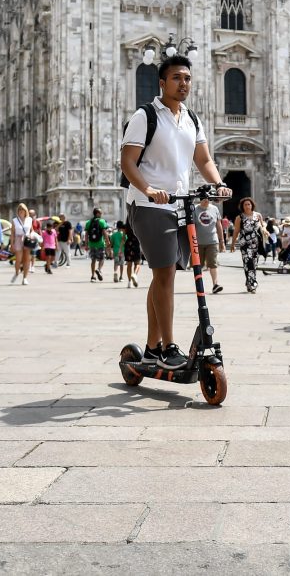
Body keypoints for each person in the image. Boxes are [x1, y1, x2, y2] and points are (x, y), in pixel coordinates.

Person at [120, 53, 230, 369]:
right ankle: (168, 348)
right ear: (162, 83)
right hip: (148, 204)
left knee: (163, 274)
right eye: (176, 78)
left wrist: (218, 183)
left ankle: (152, 349)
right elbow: (127, 162)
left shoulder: (192, 119)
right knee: (165, 272)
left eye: (187, 78)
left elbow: (203, 160)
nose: (183, 83)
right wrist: (148, 189)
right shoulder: (144, 116)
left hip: (179, 204)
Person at [231, 197, 264, 293]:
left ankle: (249, 282)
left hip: (256, 243)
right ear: (242, 206)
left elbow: (262, 226)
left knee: (254, 264)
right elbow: (236, 231)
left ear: (252, 205)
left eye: (249, 204)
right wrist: (233, 244)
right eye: (245, 204)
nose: (247, 206)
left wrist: (265, 231)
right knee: (248, 263)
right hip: (245, 243)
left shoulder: (258, 215)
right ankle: (253, 284)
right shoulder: (239, 217)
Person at [194, 196, 226, 293]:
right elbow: (191, 225)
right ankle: (199, 285)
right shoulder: (194, 209)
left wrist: (222, 241)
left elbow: (219, 225)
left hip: (212, 241)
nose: (206, 200)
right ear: (200, 199)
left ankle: (215, 284)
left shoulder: (214, 209)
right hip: (198, 242)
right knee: (198, 266)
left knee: (213, 263)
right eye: (204, 198)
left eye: (208, 198)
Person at [82, 208, 112, 282]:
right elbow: (105, 233)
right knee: (102, 259)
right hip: (100, 243)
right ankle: (99, 269)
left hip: (91, 244)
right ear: (97, 213)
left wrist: (86, 245)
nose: (101, 214)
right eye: (100, 213)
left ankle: (93, 276)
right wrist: (108, 242)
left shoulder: (88, 222)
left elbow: (86, 234)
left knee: (93, 260)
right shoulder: (102, 221)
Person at [11, 203, 35, 285]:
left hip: (27, 240)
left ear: (26, 211)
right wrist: (12, 244)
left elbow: (32, 230)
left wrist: (31, 235)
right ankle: (17, 272)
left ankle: (25, 278)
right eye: (20, 210)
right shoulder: (14, 220)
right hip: (18, 239)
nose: (21, 211)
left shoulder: (29, 219)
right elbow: (12, 233)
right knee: (18, 259)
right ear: (18, 211)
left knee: (27, 259)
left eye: (23, 210)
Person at [121, 222, 141, 288]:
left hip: (128, 245)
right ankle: (134, 274)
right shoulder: (137, 224)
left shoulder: (126, 226)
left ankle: (129, 282)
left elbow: (123, 238)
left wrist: (120, 249)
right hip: (136, 244)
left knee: (129, 264)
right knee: (137, 263)